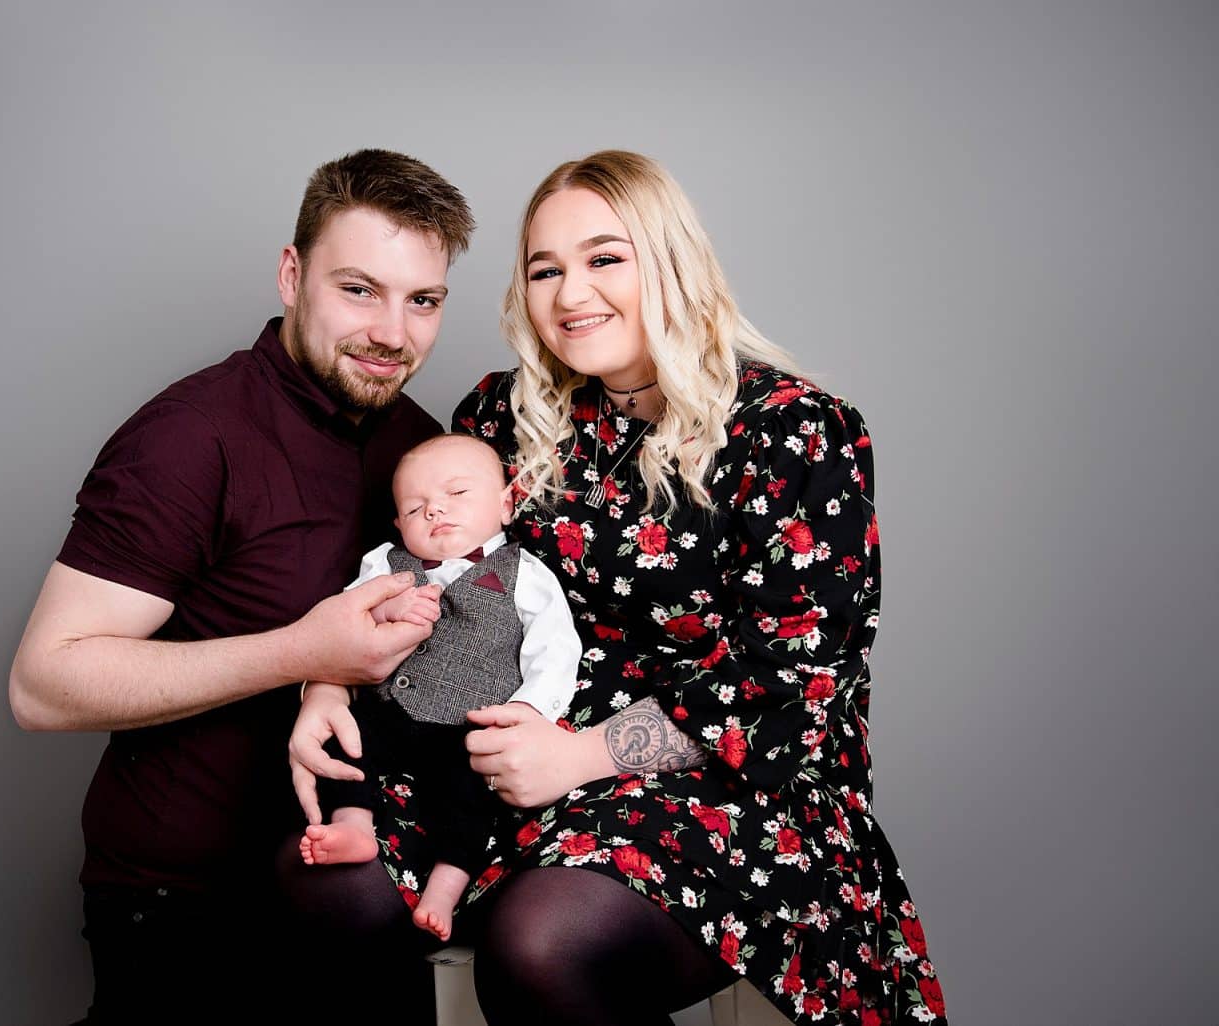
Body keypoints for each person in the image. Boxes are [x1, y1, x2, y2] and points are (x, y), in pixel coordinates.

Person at [289, 151, 947, 1025]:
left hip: (735, 787)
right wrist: (325, 678)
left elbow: (798, 686)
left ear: (669, 261)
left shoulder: (793, 430)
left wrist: (581, 755)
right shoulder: (499, 421)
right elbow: (421, 577)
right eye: (544, 269)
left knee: (543, 940)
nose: (570, 295)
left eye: (605, 258)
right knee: (329, 885)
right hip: (507, 769)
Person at [8, 148, 474, 1024]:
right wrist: (304, 651)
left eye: (423, 301)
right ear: (291, 274)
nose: (392, 332)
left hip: (360, 891)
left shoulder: (418, 444)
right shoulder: (190, 437)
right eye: (359, 289)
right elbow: (43, 684)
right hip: (188, 904)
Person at [298, 433, 581, 942]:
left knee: (473, 798)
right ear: (398, 524)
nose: (435, 512)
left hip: (468, 724)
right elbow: (346, 618)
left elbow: (555, 646)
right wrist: (385, 609)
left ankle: (445, 891)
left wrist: (530, 711)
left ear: (506, 503)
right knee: (346, 742)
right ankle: (354, 827)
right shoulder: (385, 563)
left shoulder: (523, 572)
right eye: (416, 507)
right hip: (390, 709)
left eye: (457, 495)